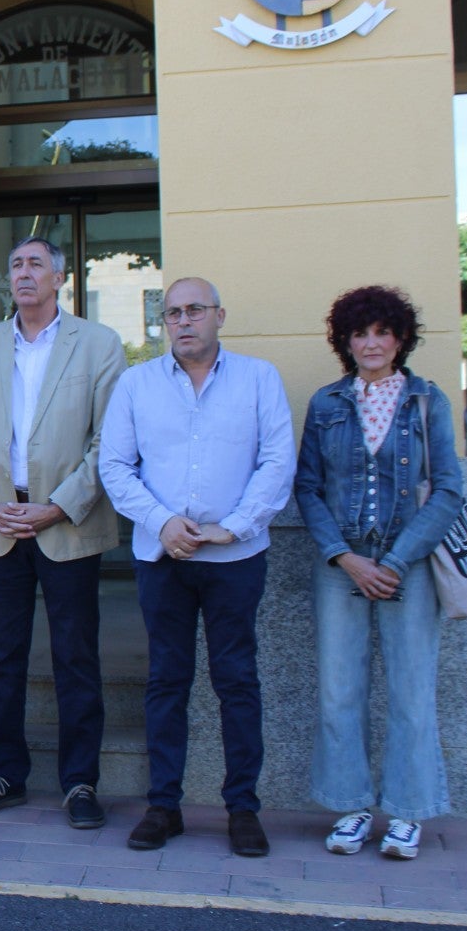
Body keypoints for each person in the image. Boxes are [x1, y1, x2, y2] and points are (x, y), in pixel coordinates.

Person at [99, 277, 294, 858]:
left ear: (219, 315)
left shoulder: (259, 379)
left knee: (237, 682)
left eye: (195, 311)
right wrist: (163, 522)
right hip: (163, 557)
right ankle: (164, 806)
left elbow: (277, 460)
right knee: (166, 680)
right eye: (172, 313)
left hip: (235, 556)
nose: (183, 321)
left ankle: (242, 809)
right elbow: (115, 466)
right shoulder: (136, 384)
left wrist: (231, 526)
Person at [0, 236, 125, 830]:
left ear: (59, 278)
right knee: (4, 658)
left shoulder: (97, 345)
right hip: (1, 523)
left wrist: (59, 505)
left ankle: (80, 782)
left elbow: (111, 442)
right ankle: (6, 774)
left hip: (65, 523)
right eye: (16, 264)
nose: (24, 273)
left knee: (76, 657)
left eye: (35, 265)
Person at [296, 286, 462, 861]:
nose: (371, 343)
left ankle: (409, 812)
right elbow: (308, 489)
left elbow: (448, 491)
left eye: (381, 332)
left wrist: (393, 561)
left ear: (400, 339)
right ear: (345, 341)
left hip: (406, 565)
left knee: (412, 690)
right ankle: (350, 806)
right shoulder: (326, 404)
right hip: (342, 562)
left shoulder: (427, 402)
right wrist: (343, 556)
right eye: (359, 333)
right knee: (340, 688)